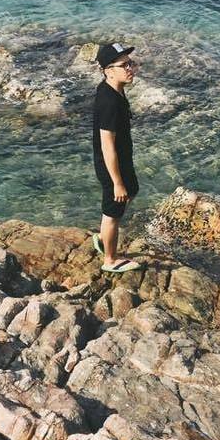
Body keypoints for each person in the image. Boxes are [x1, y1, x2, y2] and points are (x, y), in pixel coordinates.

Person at [91, 42, 143, 273]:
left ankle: (104, 237)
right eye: (124, 65)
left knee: (132, 190)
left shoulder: (114, 89)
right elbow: (107, 145)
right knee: (113, 212)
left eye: (131, 63)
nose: (130, 68)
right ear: (108, 71)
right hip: (112, 164)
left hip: (122, 160)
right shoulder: (109, 102)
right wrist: (117, 182)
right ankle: (110, 260)